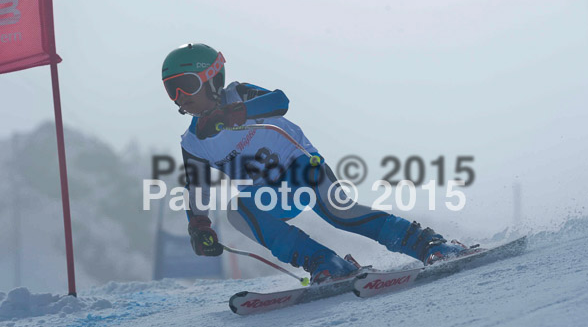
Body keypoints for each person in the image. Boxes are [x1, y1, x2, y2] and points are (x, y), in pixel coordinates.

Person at [162, 43, 469, 284]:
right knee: (237, 210)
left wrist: (232, 115)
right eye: (170, 89)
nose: (179, 97)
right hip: (273, 193)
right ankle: (326, 263)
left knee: (340, 212)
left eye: (186, 85)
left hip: (303, 168)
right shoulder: (193, 142)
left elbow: (279, 101)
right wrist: (198, 225)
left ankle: (429, 244)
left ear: (211, 79)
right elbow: (197, 187)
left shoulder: (238, 95)